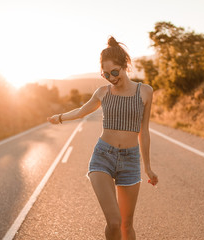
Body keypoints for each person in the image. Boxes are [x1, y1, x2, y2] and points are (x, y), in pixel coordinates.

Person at [47, 36, 158, 240]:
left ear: (125, 65)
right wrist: (60, 117)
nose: (111, 77)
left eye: (114, 72)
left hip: (130, 160)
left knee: (126, 226)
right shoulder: (103, 92)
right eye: (105, 74)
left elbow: (145, 131)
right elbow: (81, 111)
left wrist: (148, 167)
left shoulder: (145, 92)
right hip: (103, 157)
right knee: (114, 222)